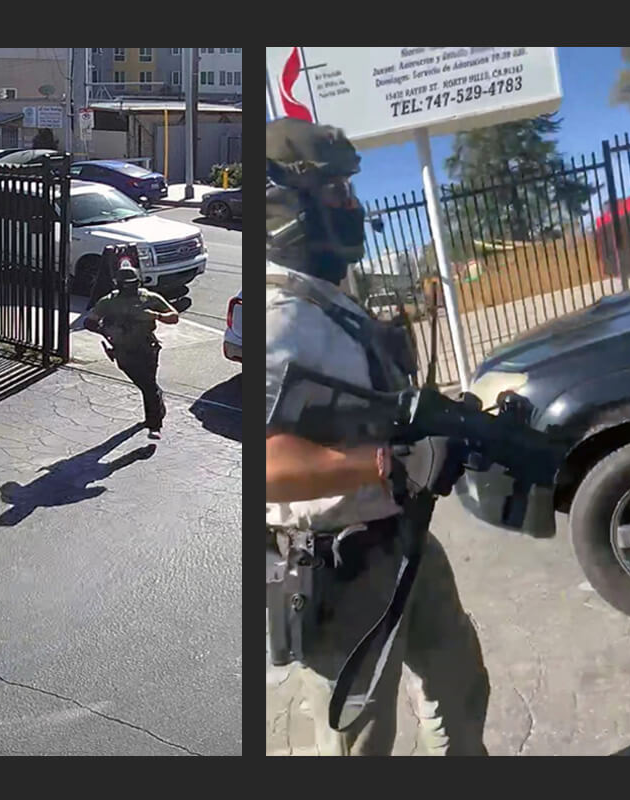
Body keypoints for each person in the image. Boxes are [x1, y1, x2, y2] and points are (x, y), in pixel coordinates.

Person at [265, 117, 490, 756]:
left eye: (350, 188)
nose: (352, 205)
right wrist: (387, 463)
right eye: (334, 188)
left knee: (461, 688)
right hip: (336, 567)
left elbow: (363, 410)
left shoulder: (331, 301)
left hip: (407, 537)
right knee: (361, 743)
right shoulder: (278, 317)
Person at [84, 263, 179, 439]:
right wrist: (107, 331)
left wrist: (155, 315)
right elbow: (90, 321)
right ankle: (158, 402)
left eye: (132, 283)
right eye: (125, 283)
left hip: (146, 347)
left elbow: (174, 317)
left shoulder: (149, 298)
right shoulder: (108, 301)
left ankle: (154, 425)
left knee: (148, 386)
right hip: (122, 349)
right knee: (145, 384)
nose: (129, 287)